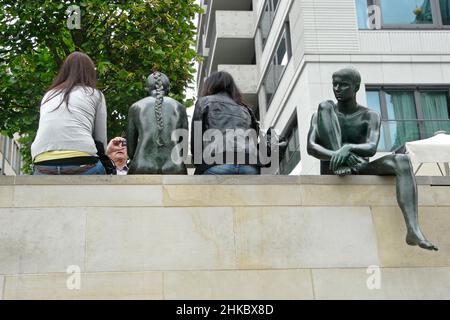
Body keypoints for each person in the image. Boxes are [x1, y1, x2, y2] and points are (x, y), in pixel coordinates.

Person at [307, 67, 438, 251]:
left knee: (402, 160)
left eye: (343, 85)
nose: (337, 88)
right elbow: (311, 147)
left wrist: (349, 148)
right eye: (334, 84)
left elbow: (371, 148)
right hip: (332, 166)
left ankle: (413, 229)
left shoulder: (369, 115)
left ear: (356, 87)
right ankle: (340, 160)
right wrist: (339, 155)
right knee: (324, 105)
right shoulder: (322, 113)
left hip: (359, 167)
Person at [31, 52, 107, 175]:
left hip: (43, 165)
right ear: (90, 73)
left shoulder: (48, 95)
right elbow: (100, 140)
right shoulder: (95, 95)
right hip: (83, 164)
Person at [190, 71, 260, 175]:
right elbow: (254, 136)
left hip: (217, 163)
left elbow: (196, 138)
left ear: (210, 85)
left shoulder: (204, 102)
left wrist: (198, 163)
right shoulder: (246, 109)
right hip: (249, 165)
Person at [127, 71, 188, 174]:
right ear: (168, 89)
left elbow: (131, 150)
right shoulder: (179, 107)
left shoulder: (136, 107)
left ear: (146, 89)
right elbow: (183, 148)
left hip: (141, 165)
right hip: (175, 166)